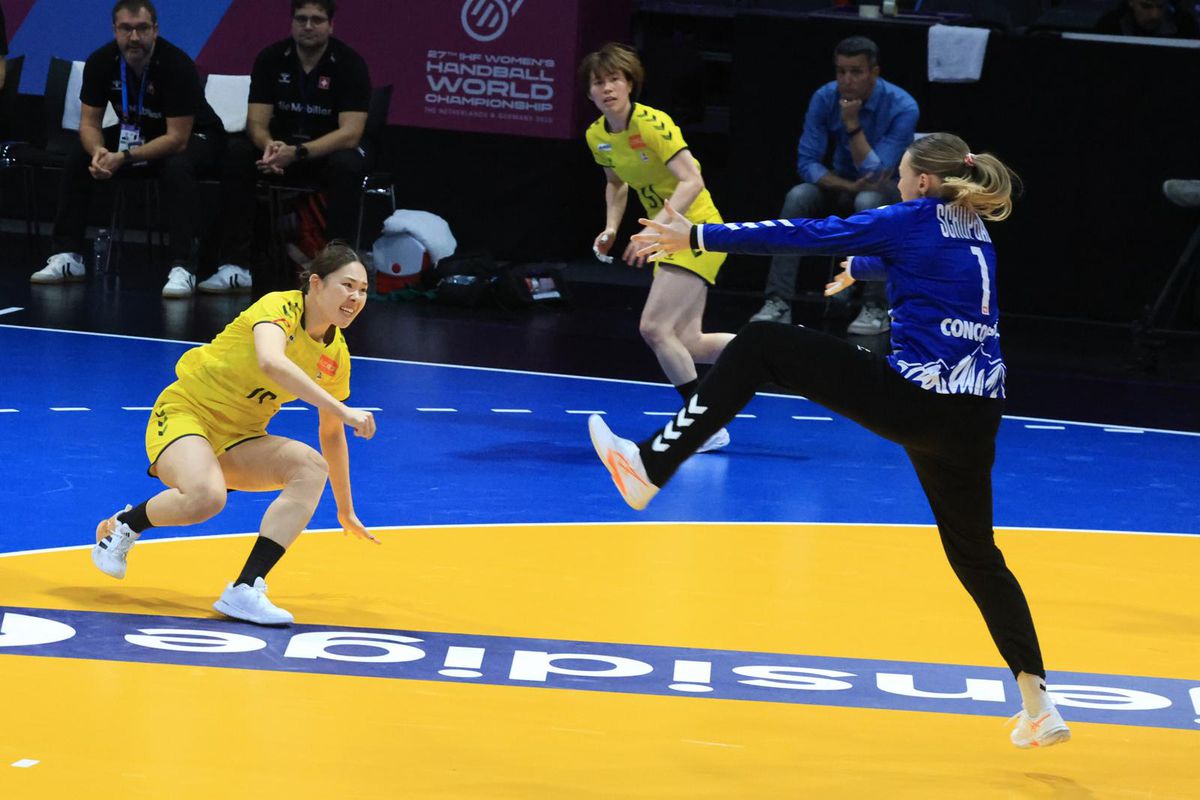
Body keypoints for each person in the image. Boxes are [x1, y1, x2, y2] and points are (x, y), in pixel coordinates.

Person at [587, 132, 1071, 749]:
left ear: (923, 182)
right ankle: (1039, 703)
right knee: (979, 558)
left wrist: (698, 236)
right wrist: (861, 268)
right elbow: (914, 259)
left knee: (762, 343)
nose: (896, 182)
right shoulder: (973, 227)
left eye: (901, 174)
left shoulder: (910, 216)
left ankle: (650, 467)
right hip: (977, 419)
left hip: (919, 402)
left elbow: (806, 234)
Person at [91, 242, 378, 625]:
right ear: (316, 284)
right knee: (207, 498)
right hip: (186, 413)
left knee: (311, 466)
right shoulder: (280, 307)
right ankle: (126, 526)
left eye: (363, 290)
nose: (356, 297)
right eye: (347, 285)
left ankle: (245, 589)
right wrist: (342, 408)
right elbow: (270, 361)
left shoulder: (335, 357)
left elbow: (332, 435)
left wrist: (345, 509)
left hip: (240, 436)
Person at [582, 42, 734, 453]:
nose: (608, 87)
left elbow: (692, 181)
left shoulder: (653, 123)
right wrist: (611, 228)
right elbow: (616, 184)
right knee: (688, 345)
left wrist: (657, 230)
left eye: (615, 79)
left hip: (695, 229)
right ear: (590, 93)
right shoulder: (598, 136)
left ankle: (703, 426)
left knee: (652, 328)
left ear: (630, 83)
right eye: (599, 82)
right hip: (666, 234)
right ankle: (780, 352)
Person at [29, 0, 225, 298]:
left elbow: (177, 139)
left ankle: (183, 266)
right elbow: (90, 125)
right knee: (79, 155)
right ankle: (67, 254)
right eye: (126, 29)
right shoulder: (101, 62)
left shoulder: (176, 65)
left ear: (155, 30)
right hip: (138, 133)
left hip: (196, 136)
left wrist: (123, 157)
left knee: (176, 166)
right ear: (114, 30)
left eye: (142, 28)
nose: (134, 37)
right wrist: (98, 153)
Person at [200, 0, 371, 294]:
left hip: (324, 153)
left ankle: (335, 270)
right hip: (281, 150)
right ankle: (235, 266)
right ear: (291, 22)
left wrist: (299, 153)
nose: (307, 26)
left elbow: (351, 133)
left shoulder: (350, 64)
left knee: (348, 165)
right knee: (238, 153)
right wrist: (270, 147)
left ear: (331, 25)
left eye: (316, 20)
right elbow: (256, 121)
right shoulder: (270, 58)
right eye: (301, 19)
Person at [750, 36, 918, 335]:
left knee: (869, 201)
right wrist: (844, 185)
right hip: (840, 184)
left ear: (874, 73)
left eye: (856, 72)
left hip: (884, 190)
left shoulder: (902, 106)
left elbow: (878, 172)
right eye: (841, 71)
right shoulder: (824, 97)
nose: (847, 80)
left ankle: (875, 305)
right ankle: (778, 301)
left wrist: (852, 125)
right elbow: (807, 162)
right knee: (798, 196)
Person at [1095, 0, 1200, 37]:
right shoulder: (1110, 26)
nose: (1155, 15)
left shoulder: (1184, 26)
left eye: (1160, 6)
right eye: (1146, 6)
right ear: (1131, 2)